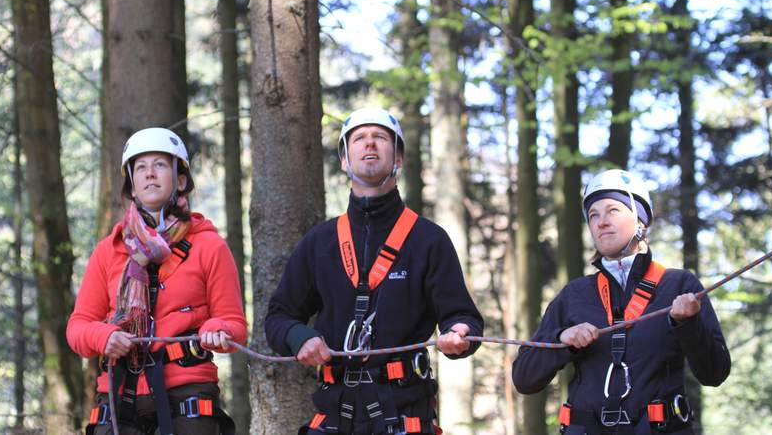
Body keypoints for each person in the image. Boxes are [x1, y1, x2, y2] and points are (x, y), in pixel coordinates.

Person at [265, 108, 484, 435]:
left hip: (404, 411)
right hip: (335, 413)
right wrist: (300, 337)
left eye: (380, 137)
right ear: (344, 159)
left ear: (397, 157)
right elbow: (278, 317)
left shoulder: (427, 239)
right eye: (359, 139)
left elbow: (463, 316)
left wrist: (460, 334)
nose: (370, 144)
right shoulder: (320, 242)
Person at [512, 169, 731, 434]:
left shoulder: (679, 286)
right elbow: (524, 379)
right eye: (593, 215)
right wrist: (562, 342)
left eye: (612, 210)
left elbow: (715, 373)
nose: (601, 221)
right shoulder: (575, 295)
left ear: (640, 220)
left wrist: (688, 324)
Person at [66, 127, 246, 435]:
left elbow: (234, 324)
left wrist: (219, 331)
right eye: (141, 167)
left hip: (185, 391)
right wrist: (103, 337)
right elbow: (78, 327)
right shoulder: (110, 250)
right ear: (132, 186)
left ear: (180, 180)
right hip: (119, 393)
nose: (150, 174)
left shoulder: (209, 246)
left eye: (160, 165)